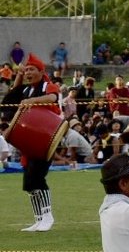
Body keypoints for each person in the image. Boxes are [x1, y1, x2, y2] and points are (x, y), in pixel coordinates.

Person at [10, 53, 61, 231]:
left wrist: (32, 101)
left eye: (32, 69)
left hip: (46, 137)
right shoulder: (26, 90)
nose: (28, 73)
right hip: (30, 138)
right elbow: (11, 97)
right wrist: (18, 75)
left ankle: (48, 216)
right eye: (27, 70)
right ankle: (39, 219)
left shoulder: (48, 85)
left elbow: (53, 98)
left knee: (37, 177)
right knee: (29, 182)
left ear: (41, 71)